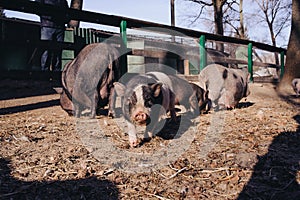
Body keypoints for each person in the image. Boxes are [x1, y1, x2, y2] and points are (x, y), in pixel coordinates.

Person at [37, 0, 69, 71]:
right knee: (46, 50)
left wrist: (64, 20)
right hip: (47, 26)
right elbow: (36, 8)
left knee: (58, 51)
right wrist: (47, 15)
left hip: (59, 27)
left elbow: (68, 14)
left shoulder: (63, 1)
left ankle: (56, 72)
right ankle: (44, 72)